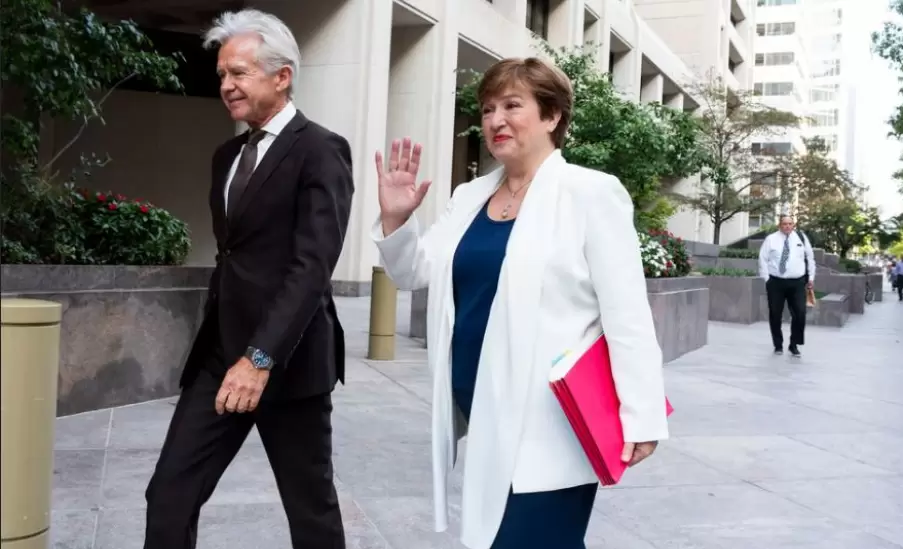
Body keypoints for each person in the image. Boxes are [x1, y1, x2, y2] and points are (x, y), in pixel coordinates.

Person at [370, 58, 669, 549]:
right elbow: (413, 272)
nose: (495, 120)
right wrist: (397, 220)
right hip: (484, 414)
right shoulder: (468, 196)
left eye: (513, 105)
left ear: (552, 116)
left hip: (554, 424)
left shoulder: (590, 193)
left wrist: (642, 415)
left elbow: (628, 315)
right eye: (488, 109)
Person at [142, 9, 354, 549]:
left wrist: (260, 357)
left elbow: (312, 267)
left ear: (281, 76)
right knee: (169, 494)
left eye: (239, 73)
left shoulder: (321, 149)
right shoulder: (226, 157)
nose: (226, 86)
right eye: (221, 76)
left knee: (311, 513)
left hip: (291, 361)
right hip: (220, 357)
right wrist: (234, 352)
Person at [758, 215, 815, 357]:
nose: (787, 226)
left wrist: (811, 277)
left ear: (793, 225)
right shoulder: (771, 239)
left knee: (800, 313)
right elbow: (762, 259)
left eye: (790, 224)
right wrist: (767, 279)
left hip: (797, 282)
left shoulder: (801, 238)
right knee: (775, 314)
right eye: (784, 224)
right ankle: (778, 345)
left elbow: (810, 258)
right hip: (776, 282)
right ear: (780, 225)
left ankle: (793, 344)